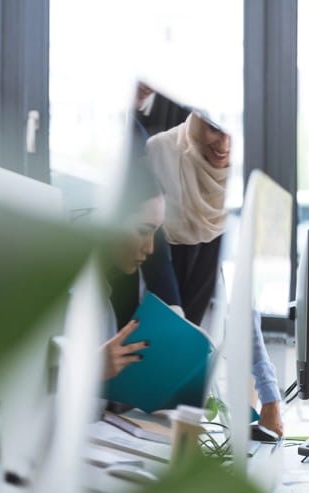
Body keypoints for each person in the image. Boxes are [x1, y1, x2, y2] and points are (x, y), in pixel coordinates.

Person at [99, 157, 284, 436]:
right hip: (112, 412)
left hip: (148, 410)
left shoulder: (204, 238)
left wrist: (269, 395)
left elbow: (242, 305)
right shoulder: (134, 252)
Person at [145, 111, 231, 327]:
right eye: (214, 129)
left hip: (211, 289)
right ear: (196, 119)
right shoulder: (160, 150)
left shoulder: (245, 166)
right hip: (160, 271)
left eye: (233, 134)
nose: (224, 146)